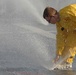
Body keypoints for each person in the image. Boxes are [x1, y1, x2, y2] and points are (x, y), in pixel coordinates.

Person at [43, 4, 76, 69]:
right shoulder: (59, 24)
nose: (49, 23)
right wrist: (58, 54)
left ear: (53, 16)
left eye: (49, 20)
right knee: (67, 49)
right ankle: (67, 63)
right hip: (74, 30)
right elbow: (60, 38)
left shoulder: (67, 12)